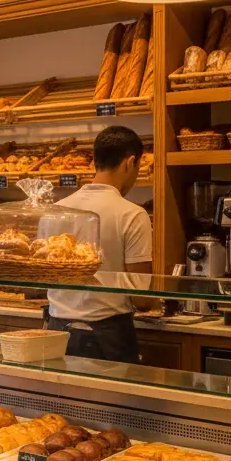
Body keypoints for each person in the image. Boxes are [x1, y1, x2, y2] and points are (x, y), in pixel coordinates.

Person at [46, 126, 154, 363]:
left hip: (54, 330)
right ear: (131, 162)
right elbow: (141, 296)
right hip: (107, 337)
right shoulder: (132, 214)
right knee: (110, 401)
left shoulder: (55, 211)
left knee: (61, 399)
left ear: (96, 160)